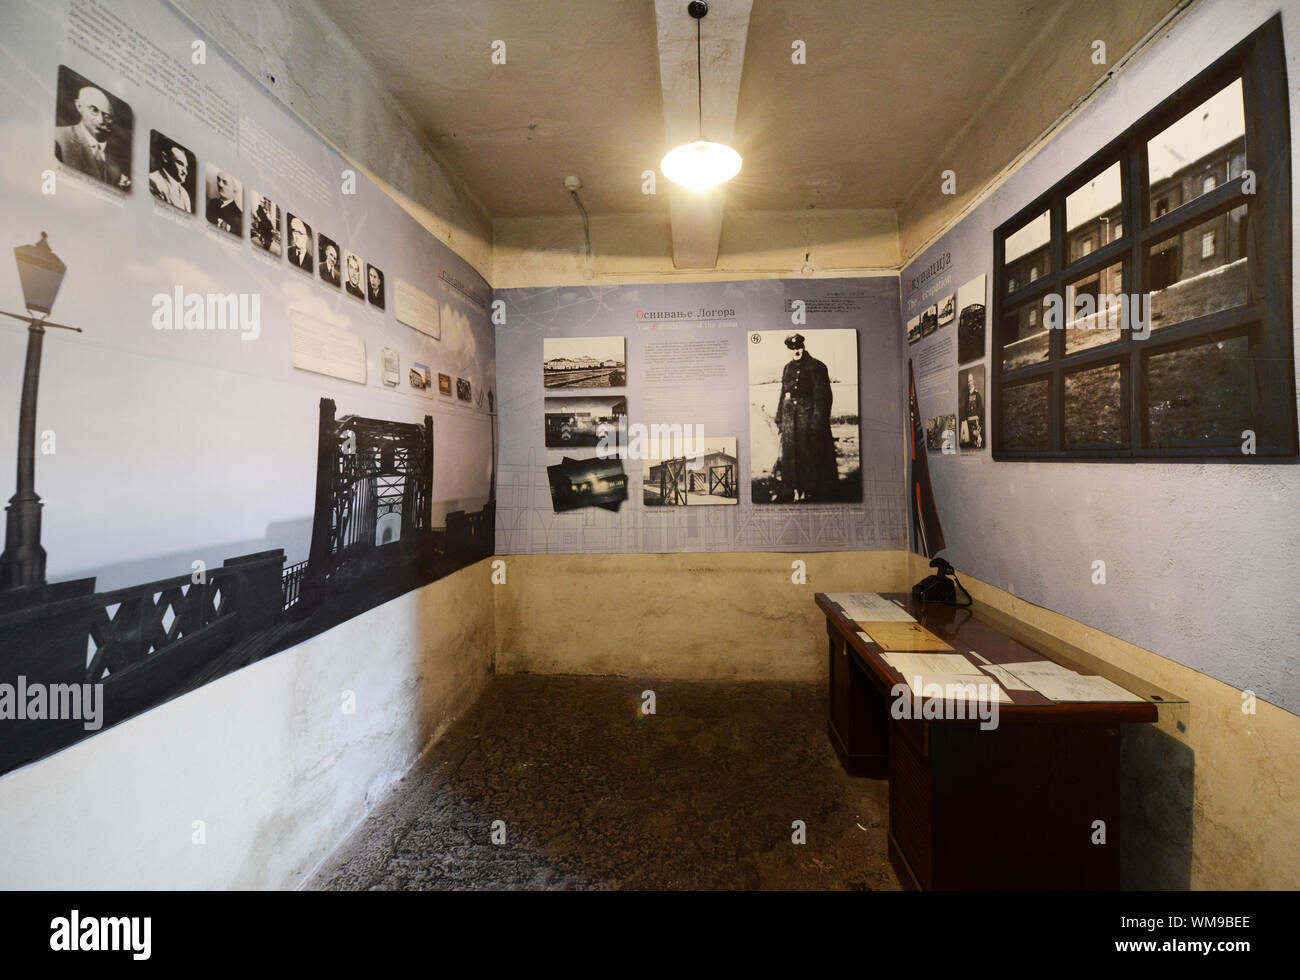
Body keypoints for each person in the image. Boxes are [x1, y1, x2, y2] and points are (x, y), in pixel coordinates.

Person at [774, 333, 838, 502]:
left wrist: (817, 423)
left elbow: (822, 397)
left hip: (808, 419)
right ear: (788, 350)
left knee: (809, 455)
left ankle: (811, 491)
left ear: (803, 347)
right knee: (790, 456)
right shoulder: (787, 368)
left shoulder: (816, 366)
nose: (796, 351)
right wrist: (779, 418)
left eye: (798, 347)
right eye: (792, 348)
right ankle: (793, 489)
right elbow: (783, 394)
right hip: (789, 421)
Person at [55, 86, 130, 189]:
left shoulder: (118, 156)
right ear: (79, 106)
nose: (101, 121)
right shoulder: (58, 137)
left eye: (107, 116)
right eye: (94, 110)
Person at [148, 141, 191, 212]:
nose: (185, 172)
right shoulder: (153, 180)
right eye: (180, 163)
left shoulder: (184, 193)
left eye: (186, 167)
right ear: (165, 158)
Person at [961, 372, 985, 449]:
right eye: (968, 381)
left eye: (970, 381)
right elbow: (964, 411)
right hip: (967, 424)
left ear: (973, 381)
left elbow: (981, 411)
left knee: (977, 445)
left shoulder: (977, 395)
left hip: (976, 424)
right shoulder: (966, 396)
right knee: (969, 445)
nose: (969, 383)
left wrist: (979, 426)